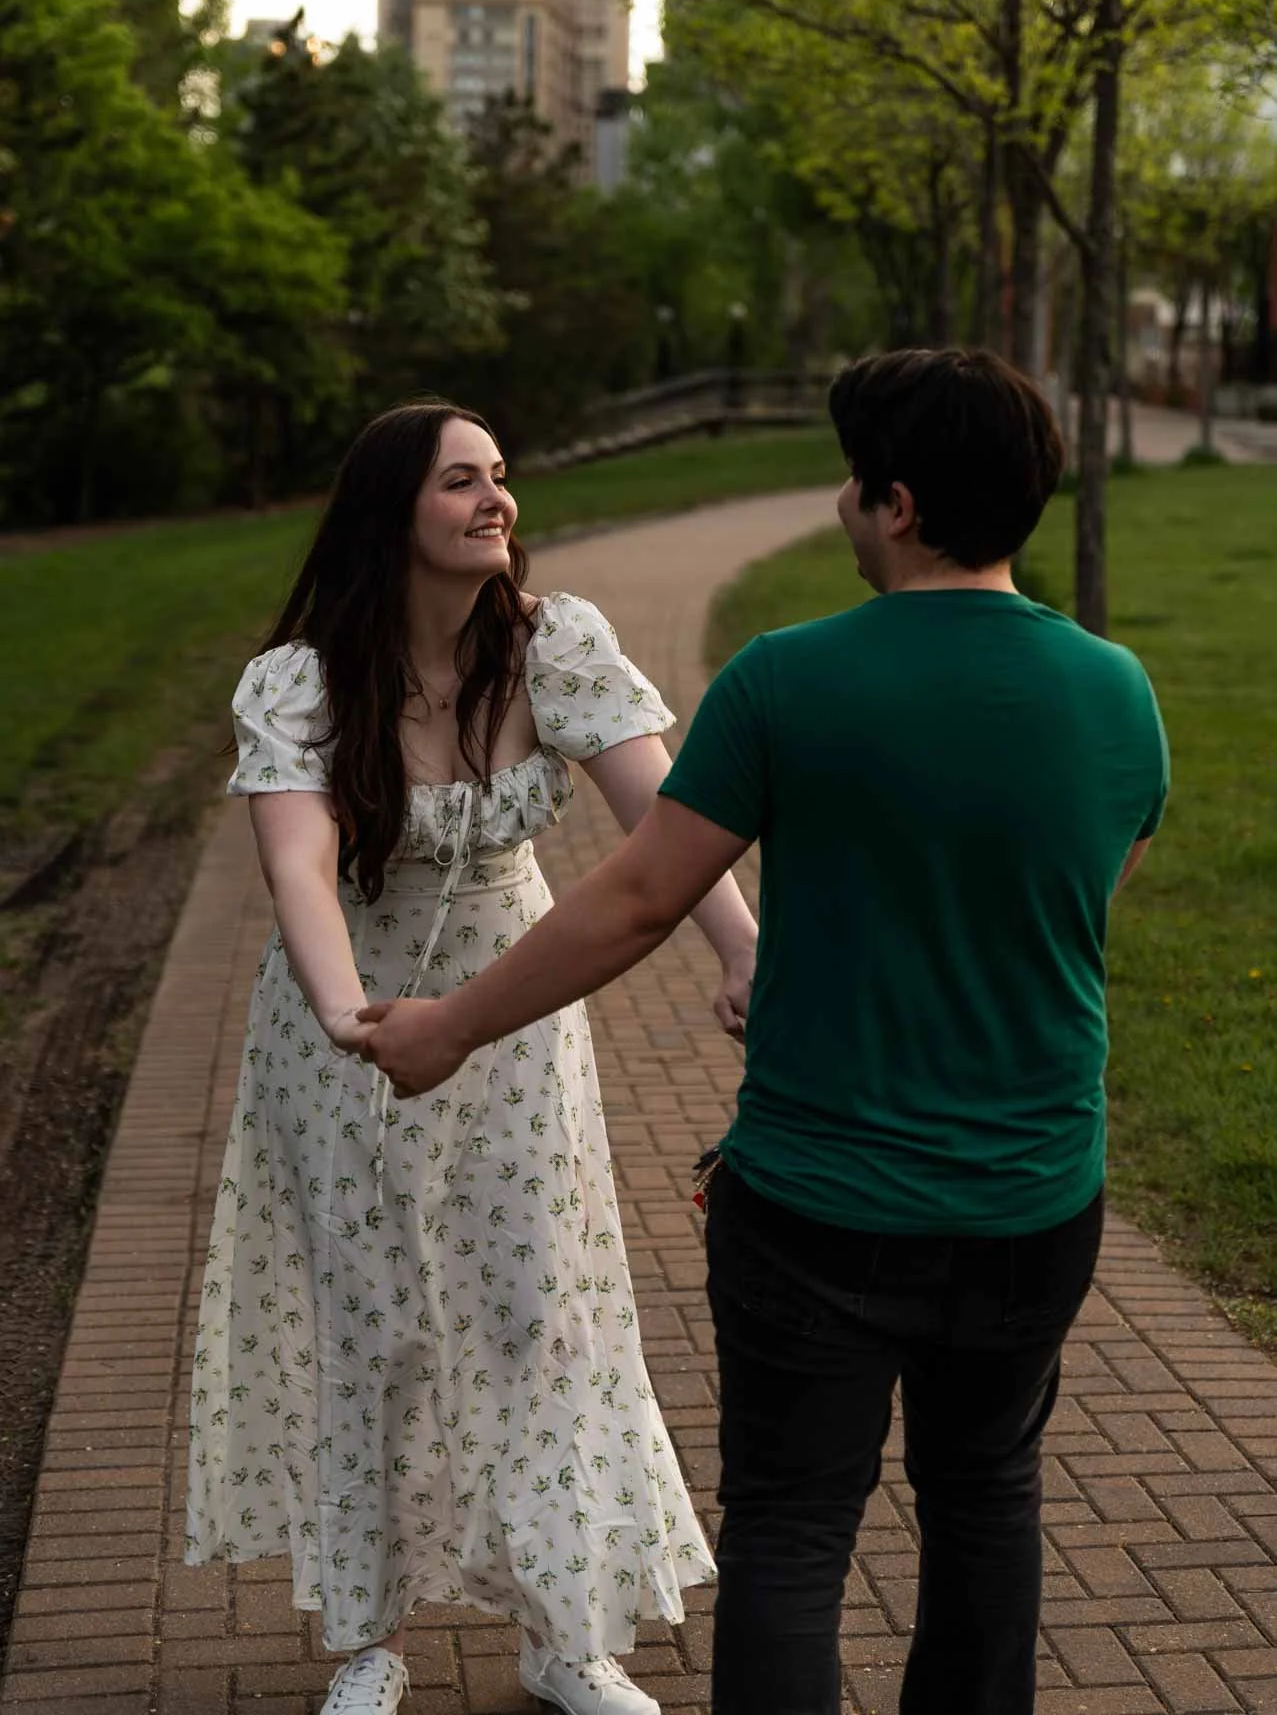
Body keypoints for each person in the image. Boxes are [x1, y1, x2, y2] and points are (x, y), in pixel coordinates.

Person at [358, 349, 1171, 1715]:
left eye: (854, 480)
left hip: (819, 1204)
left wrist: (450, 1025)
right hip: (1035, 1200)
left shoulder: (792, 678)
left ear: (898, 506)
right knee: (987, 1497)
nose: (843, 502)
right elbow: (1091, 888)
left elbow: (635, 900)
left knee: (794, 1526)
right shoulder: (1118, 689)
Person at [184, 401, 759, 1715]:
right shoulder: (299, 682)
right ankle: (371, 1641)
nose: (497, 499)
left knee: (535, 1311)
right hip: (340, 1030)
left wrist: (741, 947)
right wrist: (350, 1021)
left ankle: (566, 1634)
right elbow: (299, 868)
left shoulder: (556, 646)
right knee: (373, 1319)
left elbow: (668, 821)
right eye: (461, 481)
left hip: (514, 1020)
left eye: (500, 475)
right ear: (390, 513)